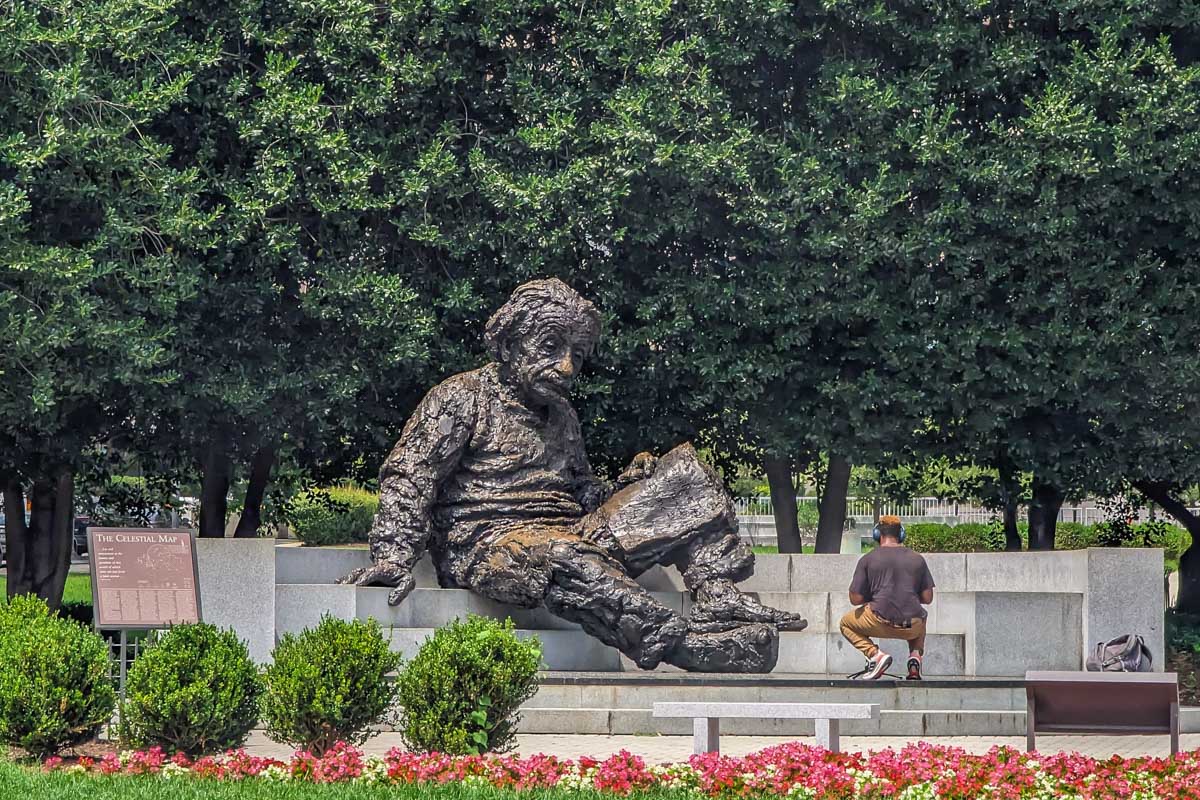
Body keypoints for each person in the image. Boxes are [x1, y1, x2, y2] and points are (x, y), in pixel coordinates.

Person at [340, 278, 806, 672]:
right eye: (550, 347)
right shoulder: (461, 397)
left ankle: (715, 591)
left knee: (684, 475)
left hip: (572, 533)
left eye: (577, 356)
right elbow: (410, 476)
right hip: (489, 547)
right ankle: (681, 644)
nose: (566, 367)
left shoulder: (562, 414)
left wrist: (626, 487)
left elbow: (581, 491)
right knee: (562, 554)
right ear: (509, 344)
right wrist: (394, 557)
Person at [838, 515, 935, 680]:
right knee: (921, 615)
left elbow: (855, 599)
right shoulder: (917, 559)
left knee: (845, 623)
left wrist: (871, 597)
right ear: (901, 534)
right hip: (910, 626)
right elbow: (928, 598)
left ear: (877, 534)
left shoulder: (867, 559)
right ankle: (915, 658)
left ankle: (875, 655)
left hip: (879, 621)